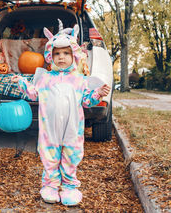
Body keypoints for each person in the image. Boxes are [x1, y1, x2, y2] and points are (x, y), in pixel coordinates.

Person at [11, 20, 110, 206]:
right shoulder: (45, 78)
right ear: (50, 56)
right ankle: (50, 186)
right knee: (50, 156)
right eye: (57, 53)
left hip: (73, 128)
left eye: (66, 53)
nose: (61, 57)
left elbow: (87, 100)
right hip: (50, 129)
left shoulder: (80, 80)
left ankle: (70, 187)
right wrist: (23, 83)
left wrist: (97, 94)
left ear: (74, 56)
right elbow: (33, 94)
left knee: (71, 156)